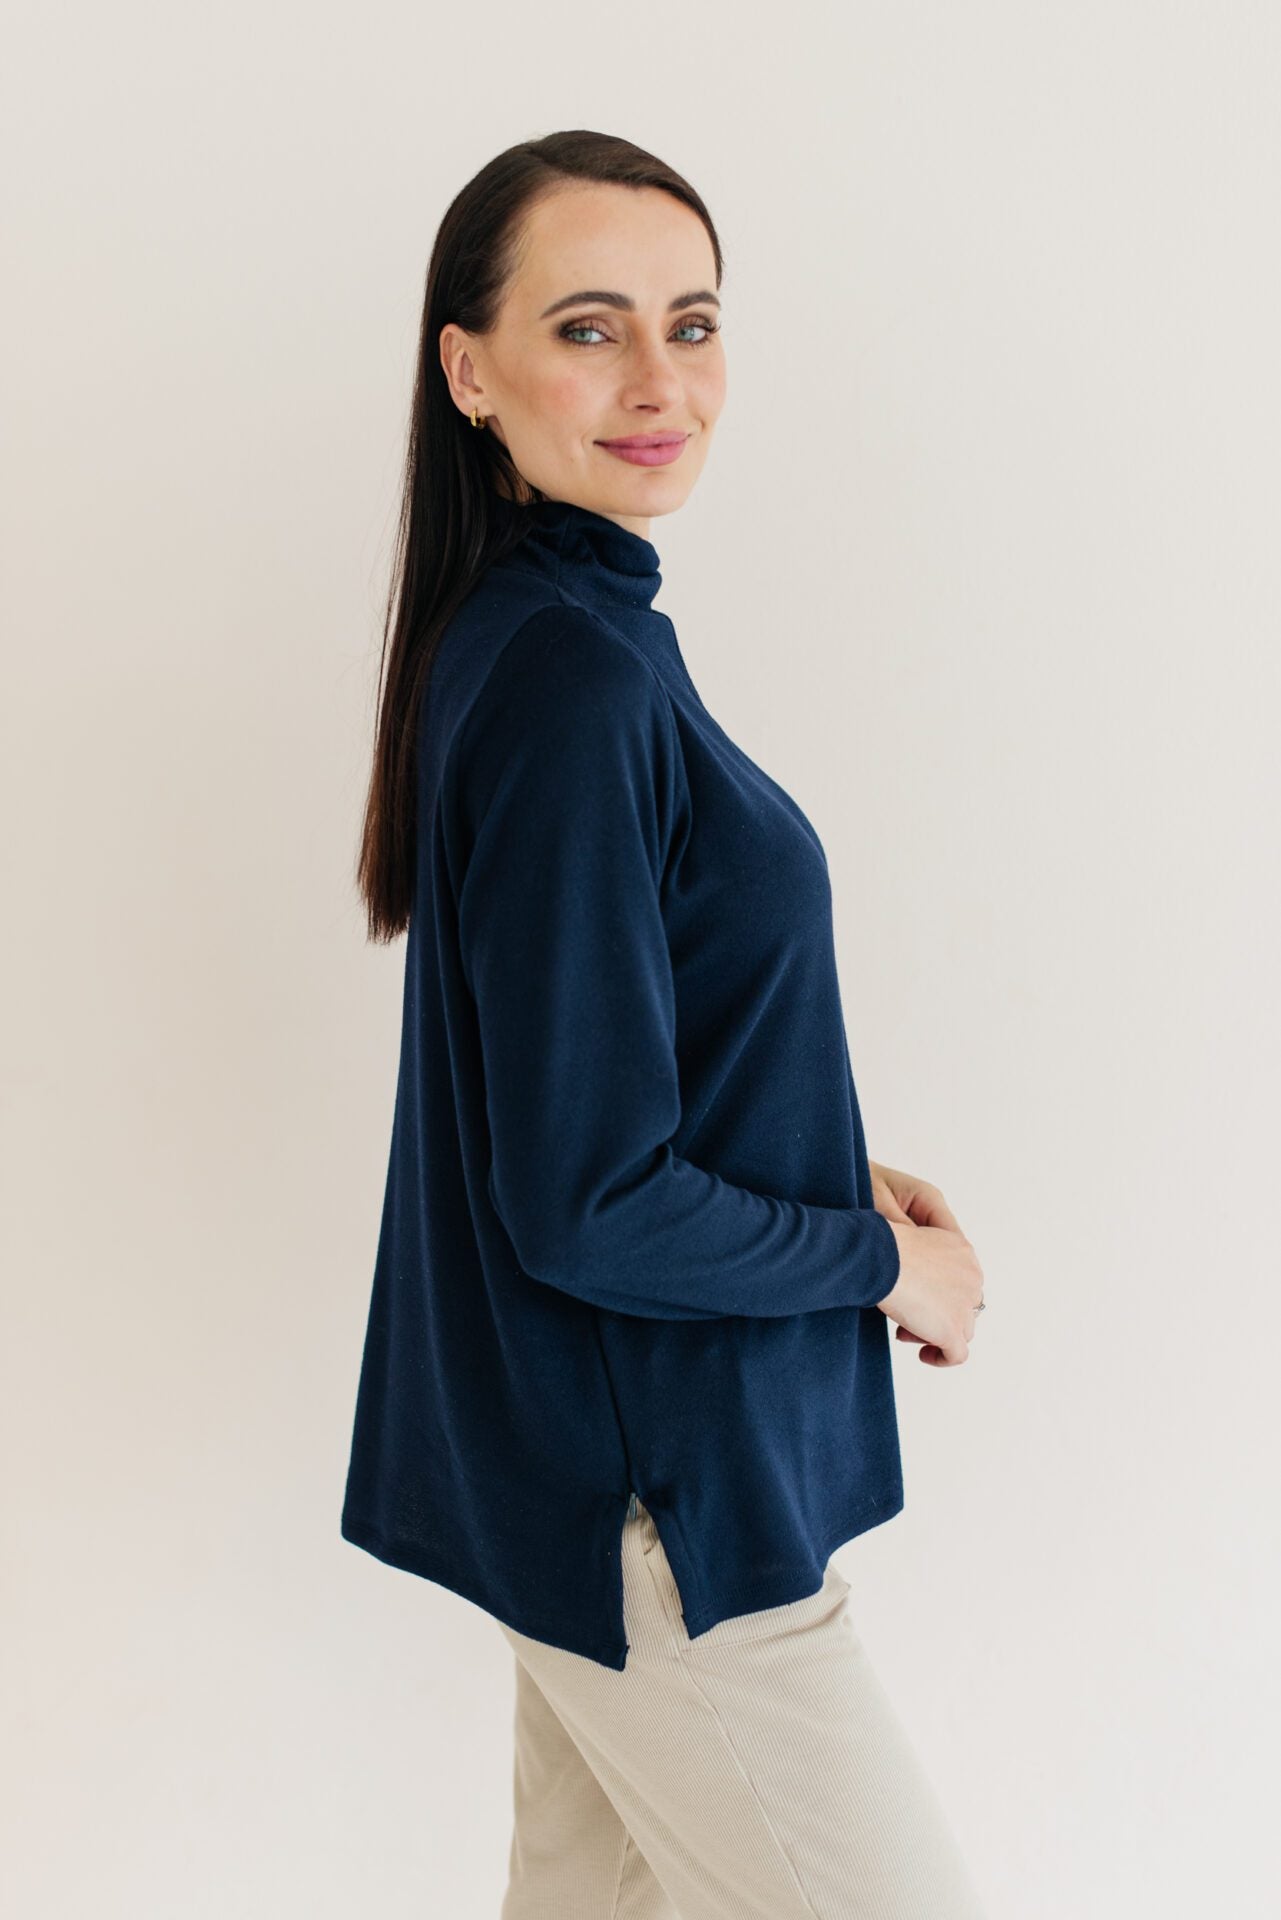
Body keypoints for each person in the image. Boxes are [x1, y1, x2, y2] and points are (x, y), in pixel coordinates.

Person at [341, 128, 989, 1919]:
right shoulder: (565, 672)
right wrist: (879, 1262)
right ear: (469, 370)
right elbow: (587, 1201)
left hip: (603, 1480)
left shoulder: (561, 633)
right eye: (589, 327)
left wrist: (826, 1161)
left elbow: (595, 1072)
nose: (658, 382)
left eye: (691, 325)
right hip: (661, 1509)